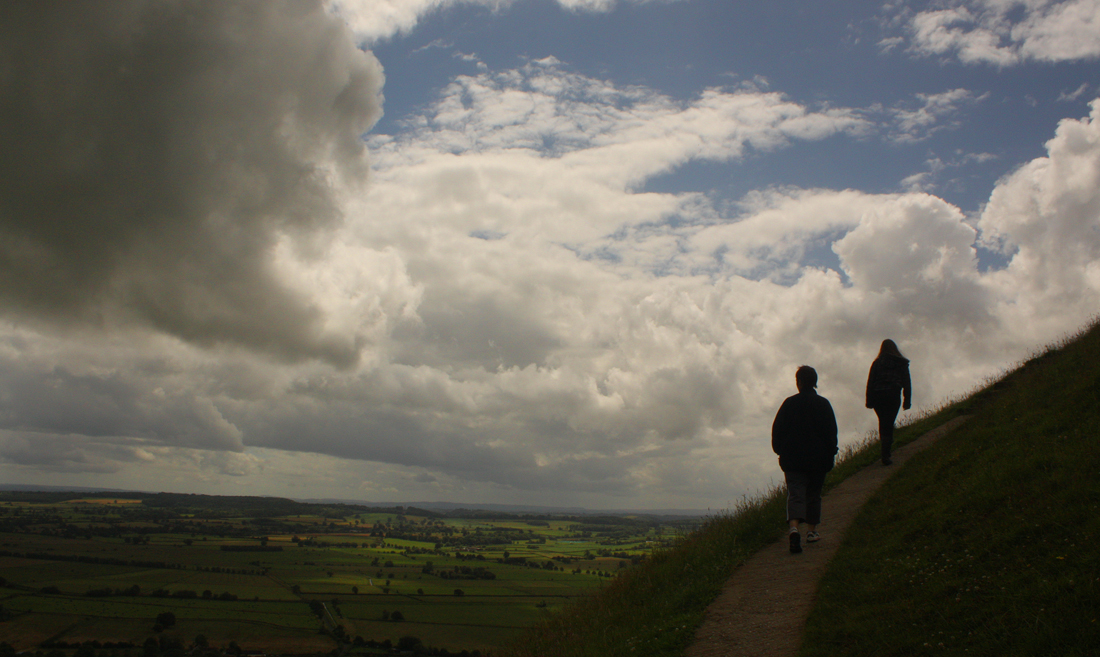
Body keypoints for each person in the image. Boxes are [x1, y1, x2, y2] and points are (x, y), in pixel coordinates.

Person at [771, 365, 838, 554]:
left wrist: (780, 450)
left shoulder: (789, 403)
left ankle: (793, 528)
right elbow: (831, 432)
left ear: (798, 382)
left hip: (793, 459)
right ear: (814, 382)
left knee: (796, 494)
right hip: (818, 459)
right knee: (814, 495)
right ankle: (811, 532)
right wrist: (831, 452)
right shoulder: (823, 404)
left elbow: (777, 431)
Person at [865, 339, 912, 466]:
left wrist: (869, 400)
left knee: (883, 422)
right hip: (893, 395)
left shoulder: (877, 363)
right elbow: (906, 383)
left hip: (878, 396)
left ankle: (885, 451)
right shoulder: (901, 363)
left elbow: (870, 382)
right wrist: (907, 401)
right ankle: (886, 453)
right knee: (889, 423)